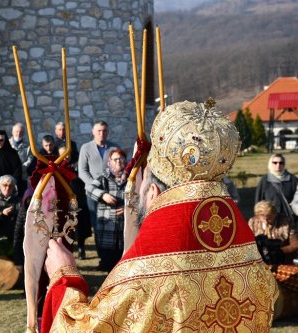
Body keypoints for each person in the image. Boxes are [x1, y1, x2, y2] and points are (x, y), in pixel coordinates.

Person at [40, 100, 278, 332]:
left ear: (152, 192)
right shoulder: (250, 258)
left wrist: (64, 277)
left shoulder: (144, 274)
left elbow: (92, 329)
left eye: (141, 187)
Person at [77, 120, 118, 266]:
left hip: (112, 192)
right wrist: (94, 187)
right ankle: (103, 258)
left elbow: (120, 168)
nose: (102, 134)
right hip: (93, 195)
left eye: (104, 131)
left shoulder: (114, 147)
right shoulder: (86, 148)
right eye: (99, 131)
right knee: (98, 226)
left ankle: (115, 257)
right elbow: (82, 171)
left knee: (114, 225)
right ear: (93, 132)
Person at [86, 147, 127, 271]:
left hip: (124, 226)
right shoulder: (103, 177)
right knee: (108, 257)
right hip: (107, 225)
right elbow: (89, 189)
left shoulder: (132, 178)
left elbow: (140, 197)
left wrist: (127, 209)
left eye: (121, 158)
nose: (118, 162)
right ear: (110, 162)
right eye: (115, 159)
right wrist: (103, 195)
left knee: (123, 257)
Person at [58, 146, 91, 260]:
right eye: (62, 154)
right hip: (64, 202)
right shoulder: (56, 169)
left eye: (67, 154)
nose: (65, 157)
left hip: (79, 200)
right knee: (67, 228)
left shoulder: (77, 166)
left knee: (80, 227)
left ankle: (81, 248)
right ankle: (68, 250)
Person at [249, 200, 298, 265]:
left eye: (269, 218)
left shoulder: (286, 221)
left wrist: (280, 251)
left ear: (275, 214)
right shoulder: (253, 222)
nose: (266, 222)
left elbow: (295, 245)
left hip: (283, 259)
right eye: (262, 219)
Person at [255, 153, 298, 221]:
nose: (278, 165)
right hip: (270, 220)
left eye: (281, 163)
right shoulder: (264, 180)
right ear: (270, 164)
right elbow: (258, 202)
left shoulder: (293, 180)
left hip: (289, 220)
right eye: (275, 163)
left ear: (284, 164)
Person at [0, 175, 21, 257]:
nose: (7, 188)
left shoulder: (19, 201)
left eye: (10, 186)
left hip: (14, 237)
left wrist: (14, 212)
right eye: (5, 185)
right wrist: (1, 214)